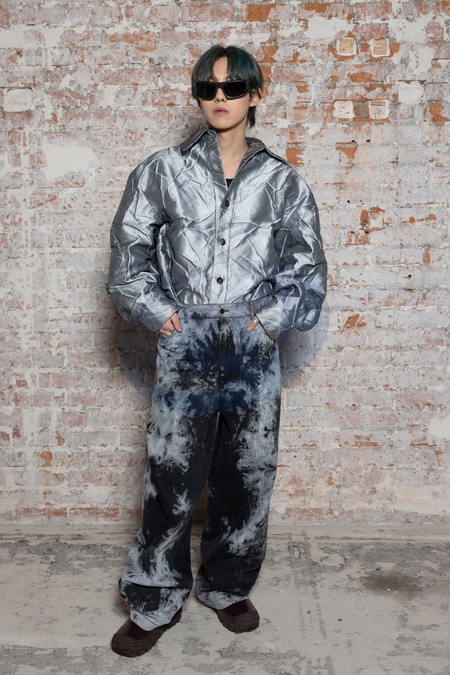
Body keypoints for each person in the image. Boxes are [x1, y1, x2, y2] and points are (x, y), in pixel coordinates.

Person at [107, 44, 327, 658]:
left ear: (256, 95)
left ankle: (228, 585)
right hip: (187, 339)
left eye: (232, 88)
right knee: (171, 475)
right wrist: (162, 315)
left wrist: (265, 323)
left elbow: (308, 271)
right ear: (198, 95)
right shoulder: (161, 171)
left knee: (247, 474)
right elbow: (127, 258)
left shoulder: (283, 182)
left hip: (253, 344)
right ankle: (155, 597)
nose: (220, 98)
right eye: (209, 87)